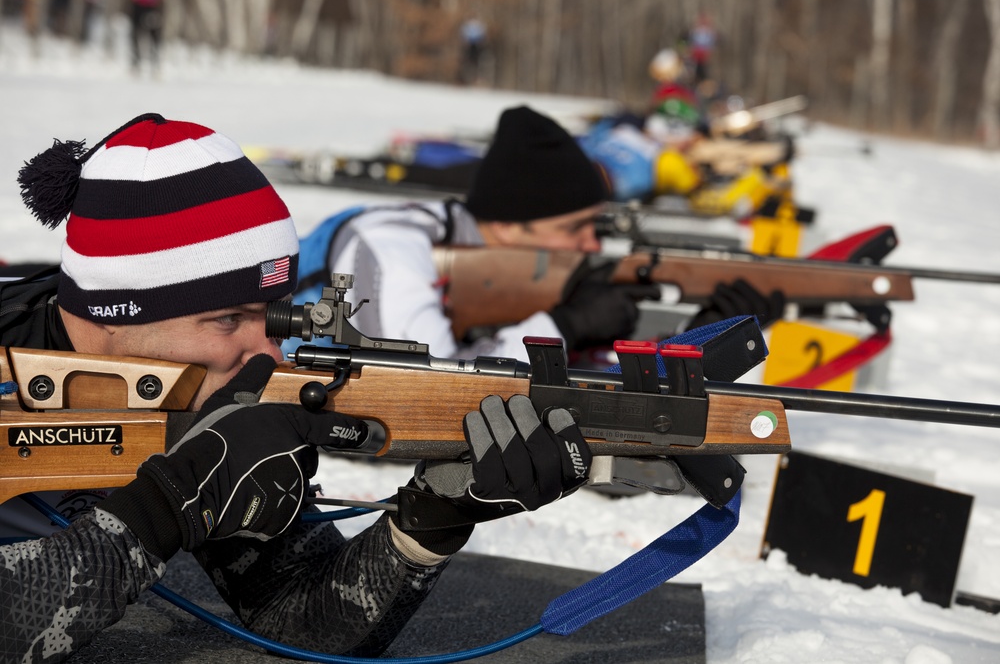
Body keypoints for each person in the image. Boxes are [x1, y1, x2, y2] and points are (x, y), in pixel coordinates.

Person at [0, 113, 593, 661]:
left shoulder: (186, 398)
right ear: (115, 310)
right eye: (228, 320)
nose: (269, 354)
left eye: (273, 317)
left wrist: (429, 521)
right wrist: (164, 507)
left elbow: (298, 619)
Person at [296, 105, 663, 364]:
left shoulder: (484, 262)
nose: (593, 244)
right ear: (505, 225)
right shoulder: (389, 244)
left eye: (595, 227)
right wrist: (565, 326)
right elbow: (427, 386)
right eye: (573, 228)